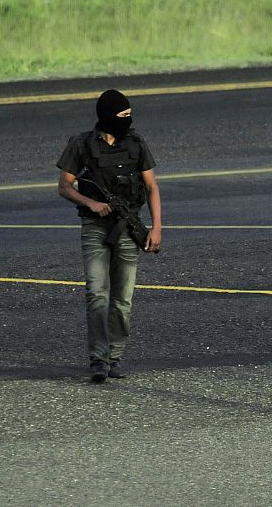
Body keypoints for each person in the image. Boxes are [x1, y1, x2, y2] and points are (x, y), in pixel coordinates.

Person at [57, 89, 162, 383]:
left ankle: (114, 356)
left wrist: (156, 228)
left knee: (122, 299)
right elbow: (64, 186)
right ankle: (98, 359)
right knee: (96, 293)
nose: (128, 120)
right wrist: (90, 203)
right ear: (106, 117)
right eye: (122, 115)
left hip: (128, 228)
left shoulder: (136, 144)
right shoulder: (81, 144)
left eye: (129, 114)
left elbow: (152, 187)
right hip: (95, 227)